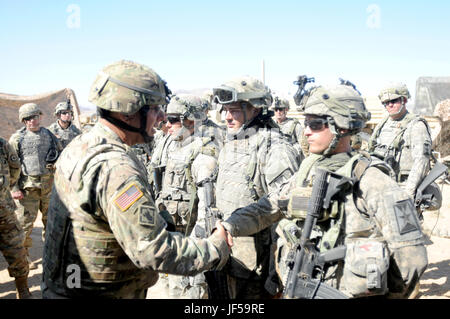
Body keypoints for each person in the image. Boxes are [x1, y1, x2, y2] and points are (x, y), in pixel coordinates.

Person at [41, 60, 230, 299]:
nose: (161, 118)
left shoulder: (82, 146)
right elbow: (154, 250)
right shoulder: (116, 169)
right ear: (129, 113)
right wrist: (215, 247)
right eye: (154, 108)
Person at [221, 81, 428, 299]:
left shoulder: (375, 184)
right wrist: (229, 226)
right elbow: (268, 208)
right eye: (306, 123)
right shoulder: (308, 173)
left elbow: (411, 260)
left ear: (343, 127)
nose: (307, 132)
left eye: (316, 125)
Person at [212, 75, 300, 299]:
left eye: (235, 110)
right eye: (225, 110)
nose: (228, 117)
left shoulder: (275, 148)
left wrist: (275, 275)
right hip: (227, 253)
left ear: (256, 109)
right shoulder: (232, 142)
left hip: (255, 267)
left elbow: (284, 211)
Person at [155, 94, 220, 299]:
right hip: (172, 233)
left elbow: (207, 210)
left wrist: (195, 250)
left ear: (190, 120)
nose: (168, 124)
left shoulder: (205, 151)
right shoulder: (173, 144)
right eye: (167, 119)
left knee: (191, 292)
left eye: (173, 119)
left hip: (191, 241)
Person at [9, 103, 61, 269]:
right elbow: (10, 166)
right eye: (29, 118)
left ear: (40, 116)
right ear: (24, 121)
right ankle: (24, 257)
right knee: (24, 225)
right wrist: (14, 188)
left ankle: (51, 256)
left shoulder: (48, 135)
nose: (33, 121)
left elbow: (60, 154)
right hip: (27, 190)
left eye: (35, 117)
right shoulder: (17, 138)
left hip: (48, 187)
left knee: (51, 223)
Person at [368, 83, 433, 201]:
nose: (390, 105)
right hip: (383, 183)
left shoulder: (416, 125)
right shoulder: (382, 124)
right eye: (386, 103)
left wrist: (408, 192)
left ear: (404, 100)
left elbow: (421, 160)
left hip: (404, 184)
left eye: (394, 100)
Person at [0, 137, 33, 299]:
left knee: (17, 250)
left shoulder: (2, 144)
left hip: (4, 211)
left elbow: (15, 168)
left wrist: (4, 190)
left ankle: (23, 288)